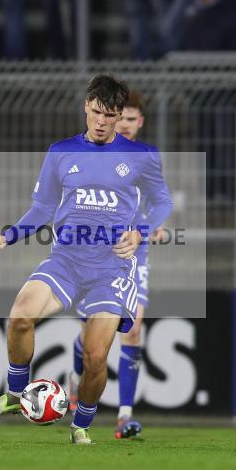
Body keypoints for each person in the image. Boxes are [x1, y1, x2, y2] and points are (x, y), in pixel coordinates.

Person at [0, 76, 173, 445]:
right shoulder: (61, 151)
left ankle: (81, 426)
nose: (101, 122)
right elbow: (43, 208)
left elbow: (162, 203)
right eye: (96, 112)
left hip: (110, 269)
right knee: (19, 316)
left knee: (96, 357)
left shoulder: (140, 156)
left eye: (110, 115)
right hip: (65, 260)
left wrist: (141, 231)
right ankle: (16, 395)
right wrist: (7, 236)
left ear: (119, 116)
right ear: (86, 106)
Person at [69, 90, 163, 439]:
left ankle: (125, 416)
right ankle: (77, 378)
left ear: (140, 122)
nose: (124, 124)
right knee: (92, 333)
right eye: (118, 118)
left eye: (130, 119)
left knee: (133, 328)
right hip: (91, 249)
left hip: (131, 252)